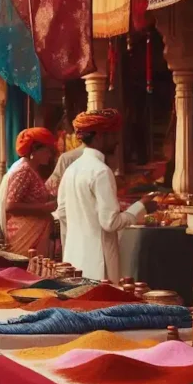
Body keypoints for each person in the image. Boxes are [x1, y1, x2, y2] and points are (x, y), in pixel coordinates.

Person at [56, 110, 157, 280]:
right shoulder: (101, 171)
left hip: (73, 258)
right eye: (112, 135)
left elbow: (63, 212)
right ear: (99, 137)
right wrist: (142, 206)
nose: (117, 141)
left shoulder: (72, 169)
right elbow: (110, 223)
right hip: (97, 262)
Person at [0, 128, 58, 254]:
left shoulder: (31, 169)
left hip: (33, 232)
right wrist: (43, 208)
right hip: (24, 234)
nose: (50, 156)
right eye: (47, 151)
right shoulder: (24, 171)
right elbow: (10, 206)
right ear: (34, 150)